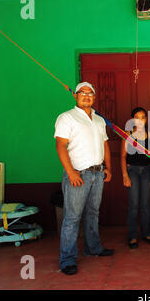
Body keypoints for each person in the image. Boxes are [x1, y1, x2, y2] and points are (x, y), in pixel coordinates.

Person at [54, 81, 114, 276]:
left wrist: (109, 168)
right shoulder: (67, 118)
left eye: (90, 93)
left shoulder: (98, 120)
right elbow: (61, 146)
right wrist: (70, 172)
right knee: (72, 217)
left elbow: (105, 145)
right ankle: (67, 259)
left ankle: (93, 248)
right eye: (82, 93)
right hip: (79, 174)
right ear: (75, 96)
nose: (86, 96)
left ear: (94, 97)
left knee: (92, 213)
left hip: (98, 173)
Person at [120, 107, 150, 249]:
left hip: (146, 172)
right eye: (137, 117)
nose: (140, 120)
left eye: (143, 117)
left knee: (145, 204)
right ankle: (133, 235)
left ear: (146, 120)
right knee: (134, 204)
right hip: (132, 171)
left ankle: (146, 233)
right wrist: (125, 175)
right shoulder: (128, 135)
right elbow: (123, 157)